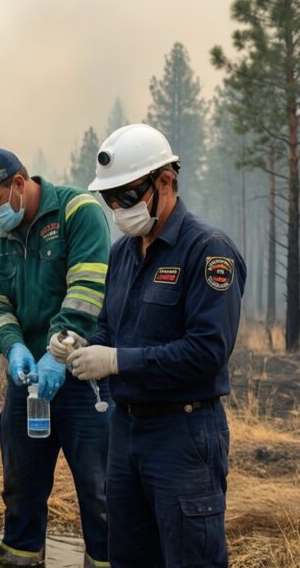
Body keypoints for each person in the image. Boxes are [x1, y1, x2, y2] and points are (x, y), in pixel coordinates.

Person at [57, 123, 245, 567]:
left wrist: (118, 361)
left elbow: (207, 352)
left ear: (165, 181)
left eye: (127, 195)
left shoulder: (207, 250)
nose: (118, 208)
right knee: (127, 556)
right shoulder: (122, 254)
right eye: (110, 199)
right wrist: (82, 348)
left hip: (183, 434)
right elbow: (109, 330)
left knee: (189, 557)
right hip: (125, 433)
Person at [0, 148, 112, 567]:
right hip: (28, 382)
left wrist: (57, 354)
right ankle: (20, 560)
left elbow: (86, 292)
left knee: (101, 491)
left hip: (86, 378)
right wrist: (13, 347)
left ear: (19, 184)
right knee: (21, 490)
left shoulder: (77, 212)